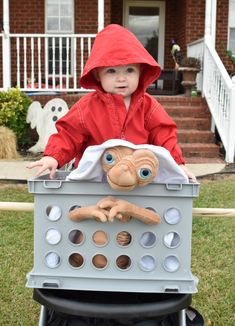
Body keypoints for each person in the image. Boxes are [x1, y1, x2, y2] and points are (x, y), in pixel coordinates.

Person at [27, 24, 196, 182]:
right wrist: (53, 156)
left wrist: (177, 164)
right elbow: (68, 135)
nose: (121, 78)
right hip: (94, 180)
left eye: (130, 70)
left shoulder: (149, 107)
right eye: (111, 71)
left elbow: (164, 135)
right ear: (97, 75)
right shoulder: (86, 108)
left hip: (136, 180)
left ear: (140, 72)